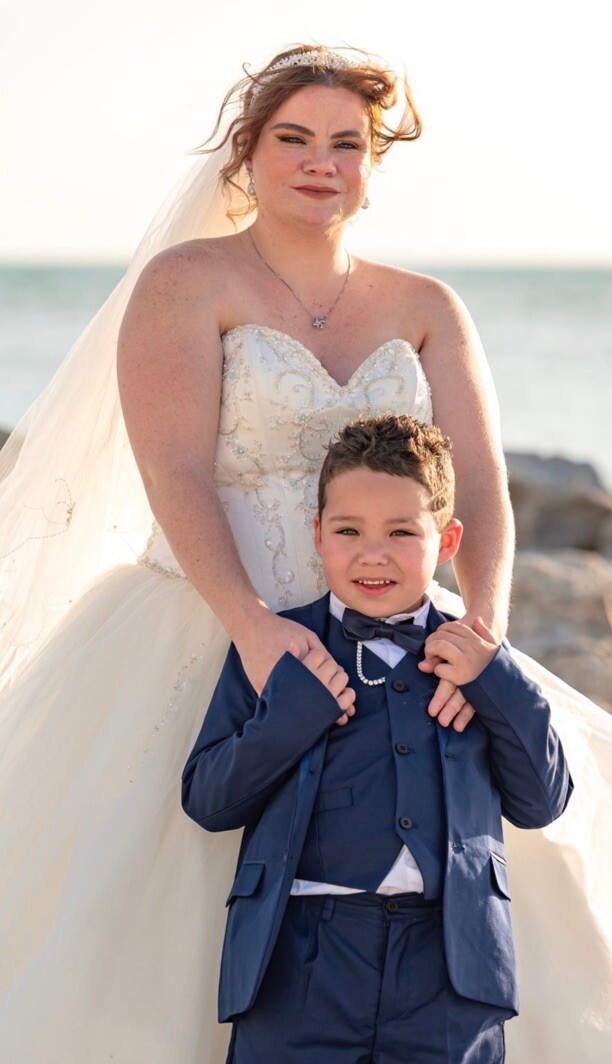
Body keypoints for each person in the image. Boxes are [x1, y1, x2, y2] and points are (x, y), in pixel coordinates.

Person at [0, 44, 609, 1064]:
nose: (322, 163)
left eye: (347, 144)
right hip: (214, 622)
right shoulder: (185, 281)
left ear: (374, 163)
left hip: (399, 629)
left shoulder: (427, 306)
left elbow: (481, 484)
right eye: (295, 139)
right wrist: (252, 629)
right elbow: (176, 470)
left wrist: (482, 637)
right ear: (247, 152)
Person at [182, 414, 573, 1063]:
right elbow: (209, 801)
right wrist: (290, 716)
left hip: (450, 970)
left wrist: (495, 678)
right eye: (348, 531)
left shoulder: (475, 659)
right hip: (299, 965)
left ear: (446, 541)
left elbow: (542, 801)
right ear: (317, 535)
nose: (372, 554)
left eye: (401, 531)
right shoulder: (278, 648)